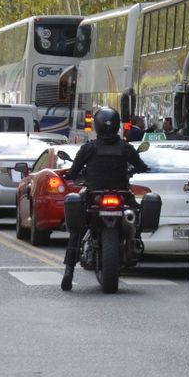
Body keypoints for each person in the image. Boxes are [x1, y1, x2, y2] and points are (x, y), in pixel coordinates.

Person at [60, 106, 150, 291]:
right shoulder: (125, 148)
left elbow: (74, 171)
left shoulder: (88, 148)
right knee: (136, 215)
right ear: (116, 125)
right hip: (122, 195)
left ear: (97, 125)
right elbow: (141, 165)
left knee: (77, 230)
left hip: (94, 196)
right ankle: (134, 242)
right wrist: (140, 168)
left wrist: (70, 174)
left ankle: (69, 272)